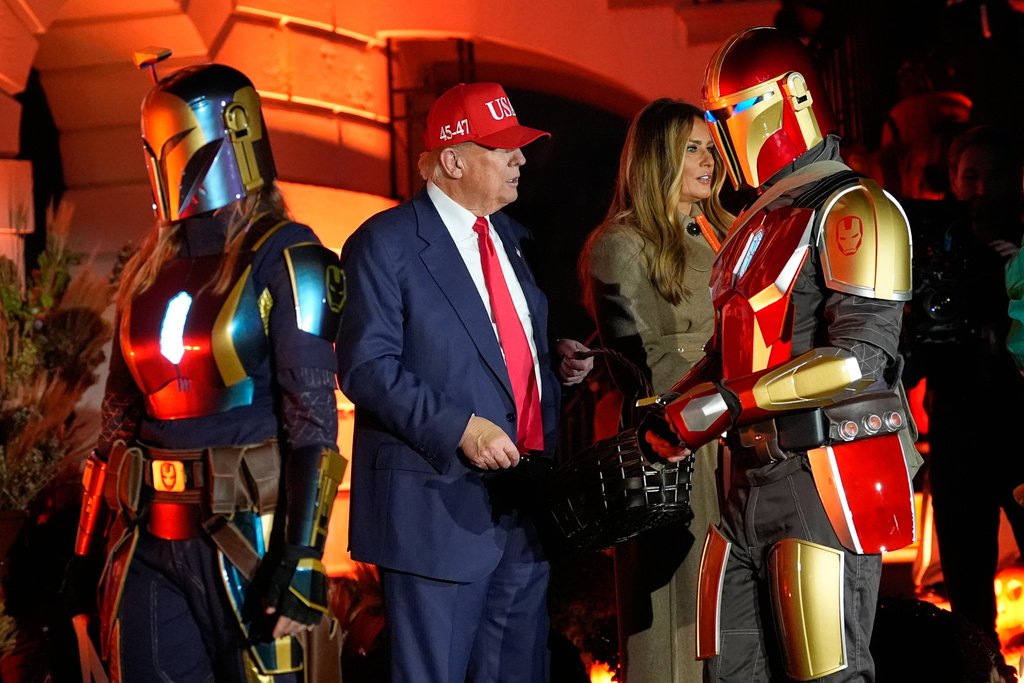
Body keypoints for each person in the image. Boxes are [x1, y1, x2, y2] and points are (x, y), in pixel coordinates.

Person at [642, 27, 921, 682]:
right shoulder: (758, 222)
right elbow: (730, 351)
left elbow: (859, 359)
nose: (721, 132)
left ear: (792, 97)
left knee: (826, 674)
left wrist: (725, 401)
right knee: (732, 673)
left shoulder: (857, 207)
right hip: (746, 479)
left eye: (734, 112)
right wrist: (676, 408)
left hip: (822, 475)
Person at [64, 60, 346, 682]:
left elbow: (312, 424)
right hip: (148, 538)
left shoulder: (289, 255)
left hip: (249, 540)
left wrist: (302, 555)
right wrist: (84, 556)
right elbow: (116, 426)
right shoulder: (146, 270)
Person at [335, 81, 592, 683]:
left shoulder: (514, 240)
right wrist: (460, 428)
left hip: (523, 510)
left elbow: (494, 353)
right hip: (435, 514)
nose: (520, 159)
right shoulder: (383, 243)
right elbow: (366, 367)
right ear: (452, 160)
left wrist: (552, 365)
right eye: (503, 149)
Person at [577, 98, 731, 683]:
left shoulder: (727, 230)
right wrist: (720, 395)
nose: (709, 160)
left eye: (711, 148)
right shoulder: (622, 243)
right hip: (677, 442)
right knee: (676, 620)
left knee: (732, 616)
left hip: (741, 436)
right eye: (692, 149)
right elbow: (640, 366)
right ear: (656, 158)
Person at [926, 124, 1024, 648]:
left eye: (996, 176)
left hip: (1019, 427)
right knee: (966, 585)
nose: (983, 190)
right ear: (954, 179)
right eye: (972, 176)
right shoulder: (934, 246)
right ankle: (980, 669)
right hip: (958, 431)